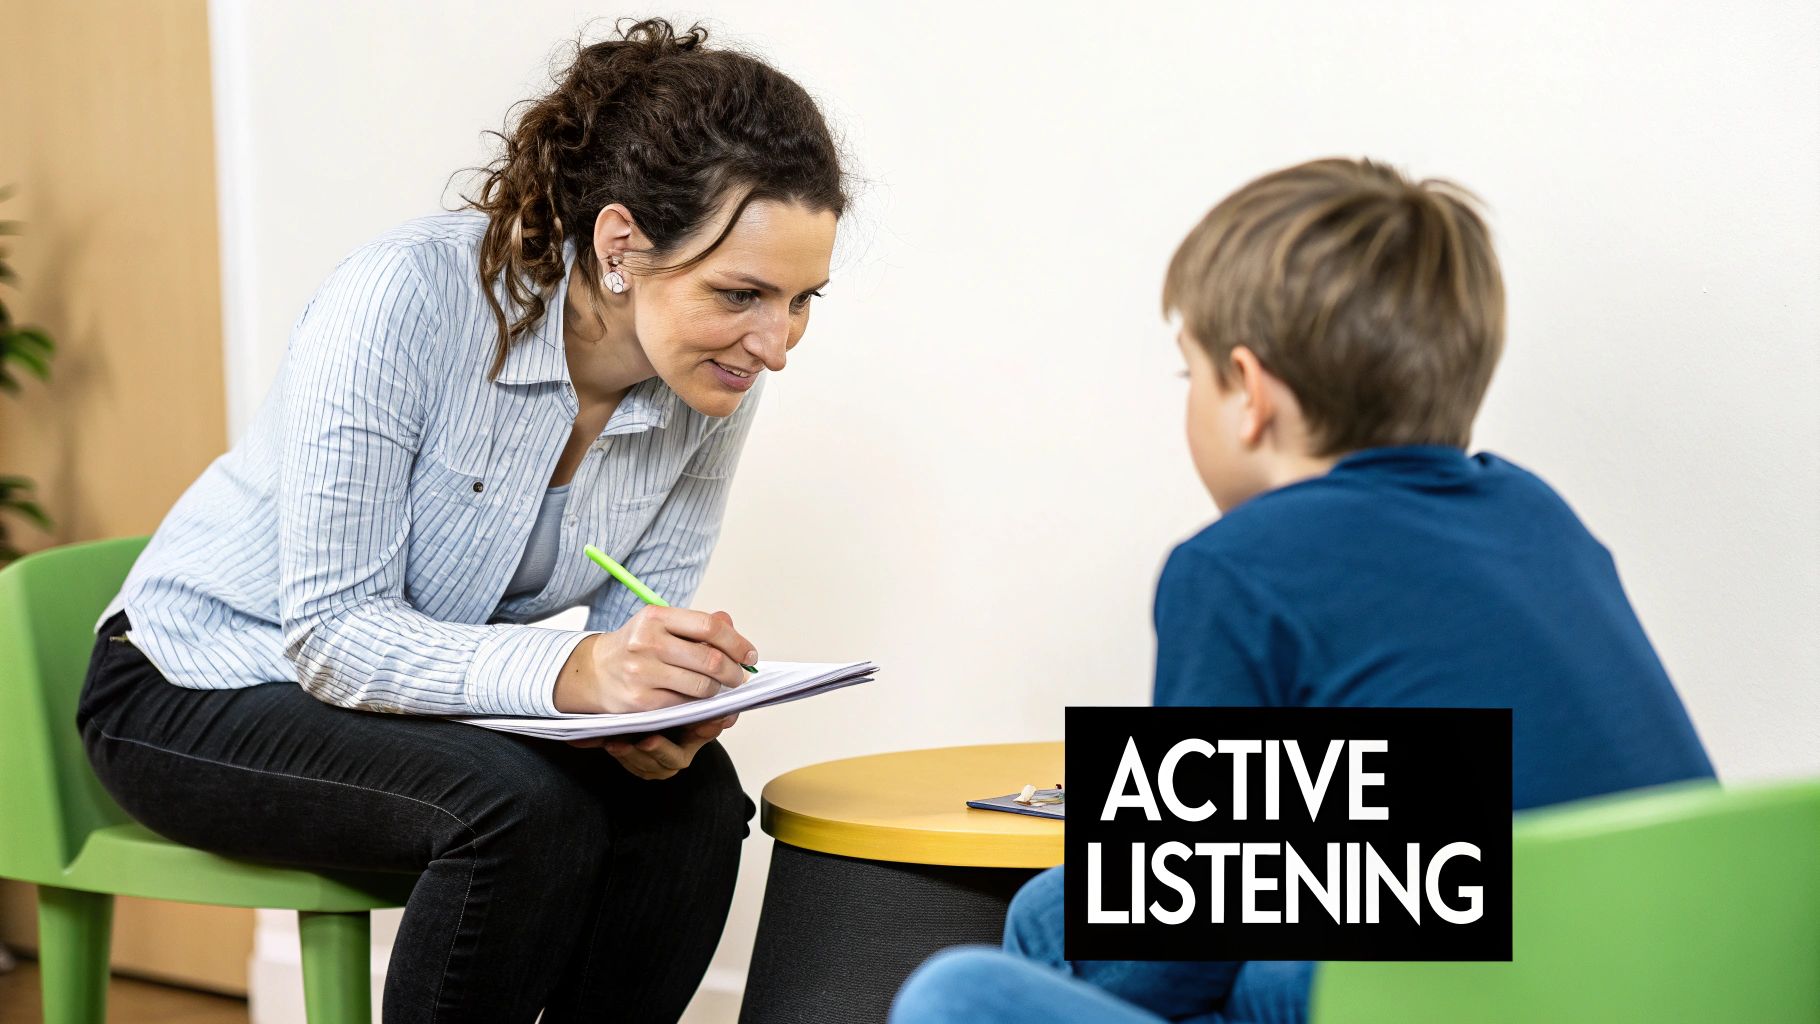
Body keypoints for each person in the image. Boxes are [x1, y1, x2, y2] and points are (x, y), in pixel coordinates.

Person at [76, 19, 845, 1023]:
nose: (774, 343)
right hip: (196, 682)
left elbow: (623, 634)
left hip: (391, 701)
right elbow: (333, 637)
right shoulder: (404, 299)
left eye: (800, 301)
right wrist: (575, 675)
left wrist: (659, 699)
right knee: (516, 811)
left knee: (693, 804)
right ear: (619, 246)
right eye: (740, 293)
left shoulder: (712, 384)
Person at [892, 158, 1713, 1024]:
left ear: (1248, 392)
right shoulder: (1537, 515)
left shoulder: (1236, 566)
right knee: (1058, 909)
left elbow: (1163, 967)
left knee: (961, 994)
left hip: (1470, 999)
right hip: (1656, 977)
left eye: (1191, 375)